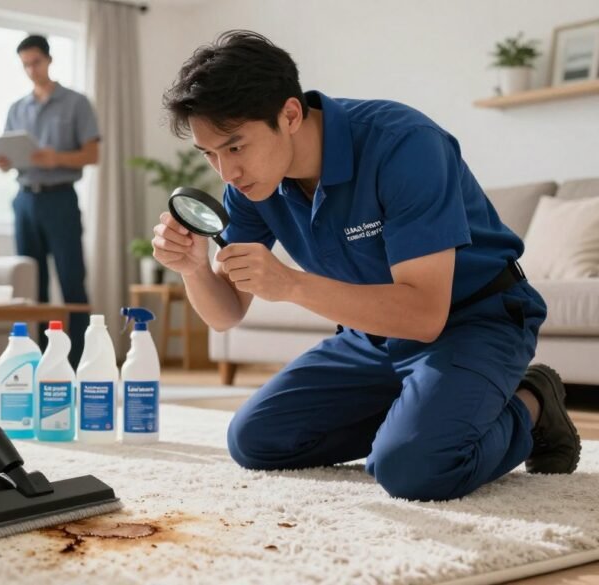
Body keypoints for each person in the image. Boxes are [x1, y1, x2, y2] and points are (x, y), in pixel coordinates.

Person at [151, 31, 581, 501]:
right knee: (254, 439)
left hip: (475, 320)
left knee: (412, 470)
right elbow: (226, 313)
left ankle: (533, 402)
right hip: (372, 334)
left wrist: (291, 285)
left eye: (234, 147)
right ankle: (420, 415)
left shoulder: (405, 145)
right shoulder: (251, 185)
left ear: (289, 114)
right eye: (209, 154)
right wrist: (193, 267)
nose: (225, 172)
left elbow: (424, 315)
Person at [0, 34, 99, 367]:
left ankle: (81, 360)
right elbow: (9, 152)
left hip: (60, 200)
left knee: (71, 279)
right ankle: (35, 361)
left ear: (49, 60)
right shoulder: (17, 108)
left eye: (36, 62)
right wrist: (4, 160)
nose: (31, 69)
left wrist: (56, 159)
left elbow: (92, 153)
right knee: (30, 284)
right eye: (25, 64)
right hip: (24, 200)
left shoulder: (76, 103)